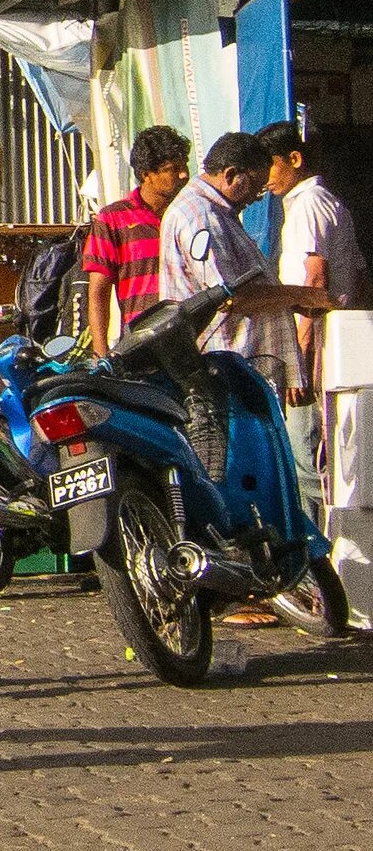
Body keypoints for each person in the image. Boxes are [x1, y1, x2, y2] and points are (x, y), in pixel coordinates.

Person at [160, 131, 335, 626]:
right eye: (253, 184)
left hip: (245, 370)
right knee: (233, 475)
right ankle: (233, 591)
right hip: (223, 367)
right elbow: (228, 298)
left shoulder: (219, 214)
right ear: (231, 175)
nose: (259, 194)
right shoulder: (199, 217)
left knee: (253, 473)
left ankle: (252, 580)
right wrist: (303, 296)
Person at [258, 120, 366, 514]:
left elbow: (314, 279)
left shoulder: (307, 205)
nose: (264, 180)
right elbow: (357, 273)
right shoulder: (330, 202)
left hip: (313, 347)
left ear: (294, 159)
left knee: (306, 463)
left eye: (269, 167)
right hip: (335, 346)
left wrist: (298, 361)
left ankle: (318, 558)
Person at [83, 125, 192, 356]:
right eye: (172, 169)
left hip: (195, 338)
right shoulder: (112, 219)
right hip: (143, 345)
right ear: (146, 175)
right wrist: (101, 356)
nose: (183, 175)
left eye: (185, 166)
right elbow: (98, 293)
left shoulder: (193, 214)